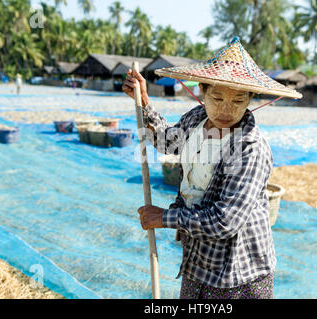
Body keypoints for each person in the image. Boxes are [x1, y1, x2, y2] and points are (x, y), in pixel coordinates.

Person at [122, 38, 301, 299]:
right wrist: (144, 101)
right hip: (198, 261)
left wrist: (164, 218)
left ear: (250, 99)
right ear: (202, 91)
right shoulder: (197, 118)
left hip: (238, 273)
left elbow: (224, 220)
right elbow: (166, 142)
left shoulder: (249, 147)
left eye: (239, 101)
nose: (226, 110)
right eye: (216, 97)